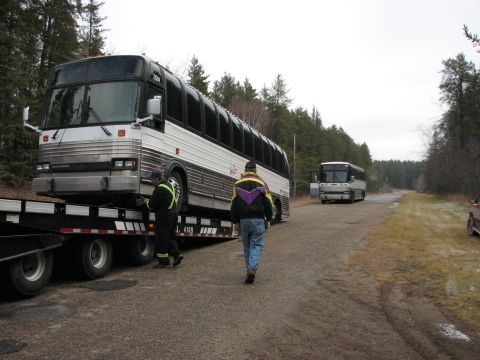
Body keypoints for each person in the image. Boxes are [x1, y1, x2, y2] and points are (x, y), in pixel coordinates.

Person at [230, 161, 273, 284]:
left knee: (247, 246)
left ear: (245, 170)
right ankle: (252, 269)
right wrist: (269, 218)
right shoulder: (262, 183)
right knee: (257, 244)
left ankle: (249, 270)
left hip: (243, 221)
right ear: (255, 171)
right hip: (258, 220)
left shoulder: (237, 184)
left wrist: (235, 220)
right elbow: (268, 203)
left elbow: (234, 204)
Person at [136, 169, 183, 268]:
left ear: (157, 179)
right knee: (170, 237)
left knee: (161, 239)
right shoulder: (168, 186)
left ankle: (163, 262)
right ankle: (177, 255)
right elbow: (162, 200)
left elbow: (151, 206)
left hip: (164, 216)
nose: (151, 181)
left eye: (152, 179)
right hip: (173, 214)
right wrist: (149, 200)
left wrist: (145, 202)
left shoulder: (159, 189)